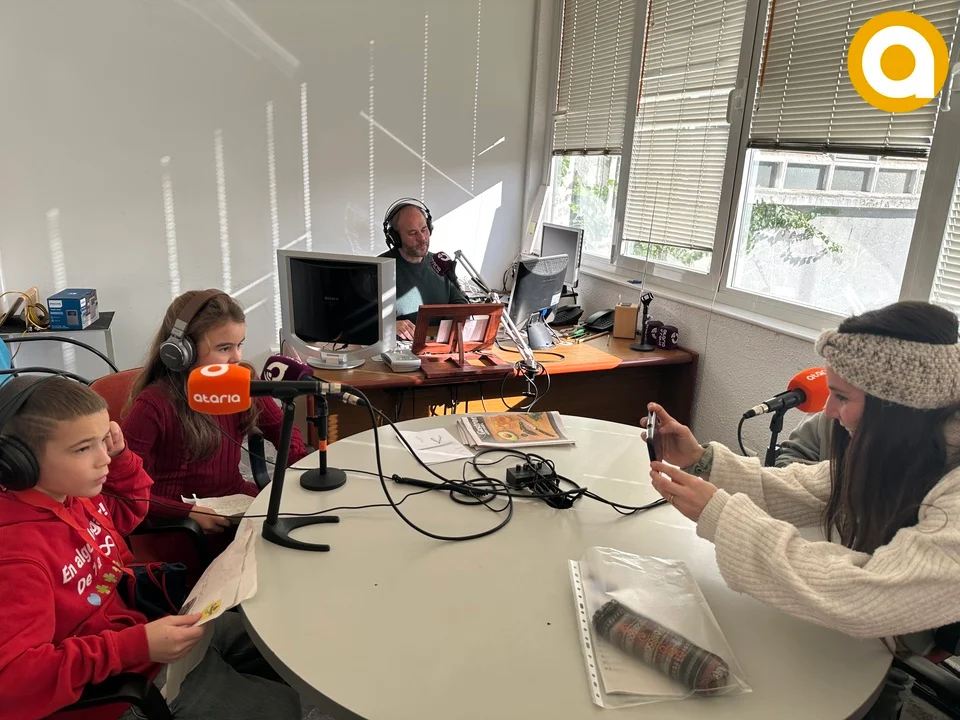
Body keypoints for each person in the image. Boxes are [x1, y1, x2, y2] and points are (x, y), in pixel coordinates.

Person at [645, 301, 960, 718]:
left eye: (842, 397)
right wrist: (703, 461)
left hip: (907, 634)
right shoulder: (914, 445)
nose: (828, 411)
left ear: (898, 406)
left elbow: (869, 595)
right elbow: (803, 489)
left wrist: (721, 517)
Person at [0, 376, 300, 719]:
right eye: (83, 448)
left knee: (276, 638)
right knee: (280, 707)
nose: (103, 459)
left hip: (140, 629)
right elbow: (13, 683)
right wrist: (134, 646)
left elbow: (132, 509)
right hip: (116, 685)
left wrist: (122, 456)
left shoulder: (71, 493)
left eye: (103, 440)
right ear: (20, 462)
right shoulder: (15, 557)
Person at [122, 290, 308, 532]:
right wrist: (186, 512)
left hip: (233, 502)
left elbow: (281, 428)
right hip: (179, 521)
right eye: (224, 348)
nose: (236, 357)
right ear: (183, 352)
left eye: (239, 345)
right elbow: (125, 489)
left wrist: (300, 467)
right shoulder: (154, 404)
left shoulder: (242, 381)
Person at [378, 197, 468, 341]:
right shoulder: (378, 268)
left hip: (438, 345)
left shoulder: (440, 263)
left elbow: (459, 302)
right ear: (395, 238)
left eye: (424, 229)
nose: (422, 238)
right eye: (412, 233)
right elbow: (356, 318)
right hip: (398, 348)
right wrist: (387, 325)